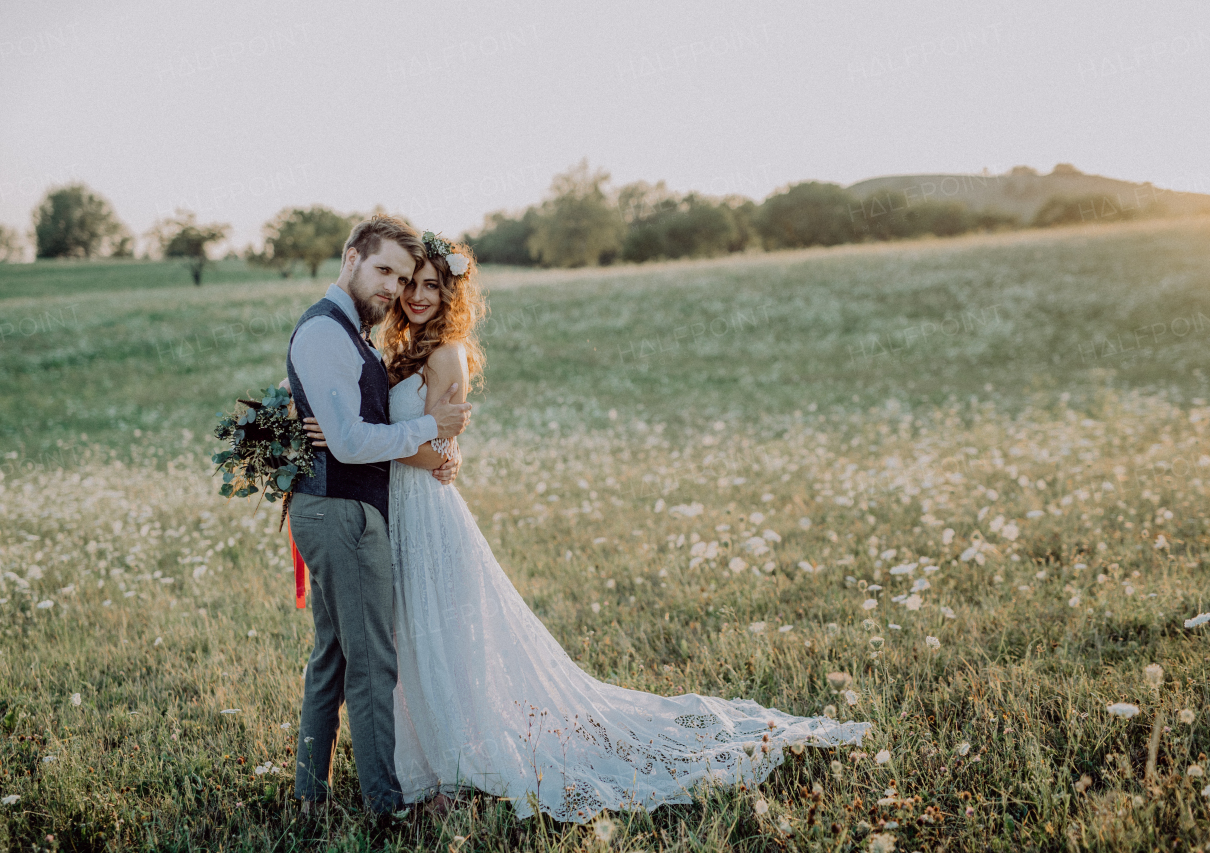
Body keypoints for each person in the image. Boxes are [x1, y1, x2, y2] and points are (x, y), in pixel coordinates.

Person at [304, 232, 870, 824]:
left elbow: (439, 443)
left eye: (431, 286)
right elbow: (406, 430)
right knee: (410, 636)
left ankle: (457, 762)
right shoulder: (392, 347)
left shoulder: (447, 353)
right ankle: (417, 758)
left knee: (438, 635)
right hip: (394, 510)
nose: (416, 295)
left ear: (451, 296)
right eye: (409, 284)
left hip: (426, 511)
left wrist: (367, 449)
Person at [284, 215, 471, 817]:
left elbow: (341, 417)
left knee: (336, 657)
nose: (394, 288)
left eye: (404, 276)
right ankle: (386, 804)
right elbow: (350, 442)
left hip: (348, 507)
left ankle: (310, 794)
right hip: (342, 512)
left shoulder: (351, 332)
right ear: (351, 259)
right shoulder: (325, 330)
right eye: (385, 271)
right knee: (370, 664)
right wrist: (430, 430)